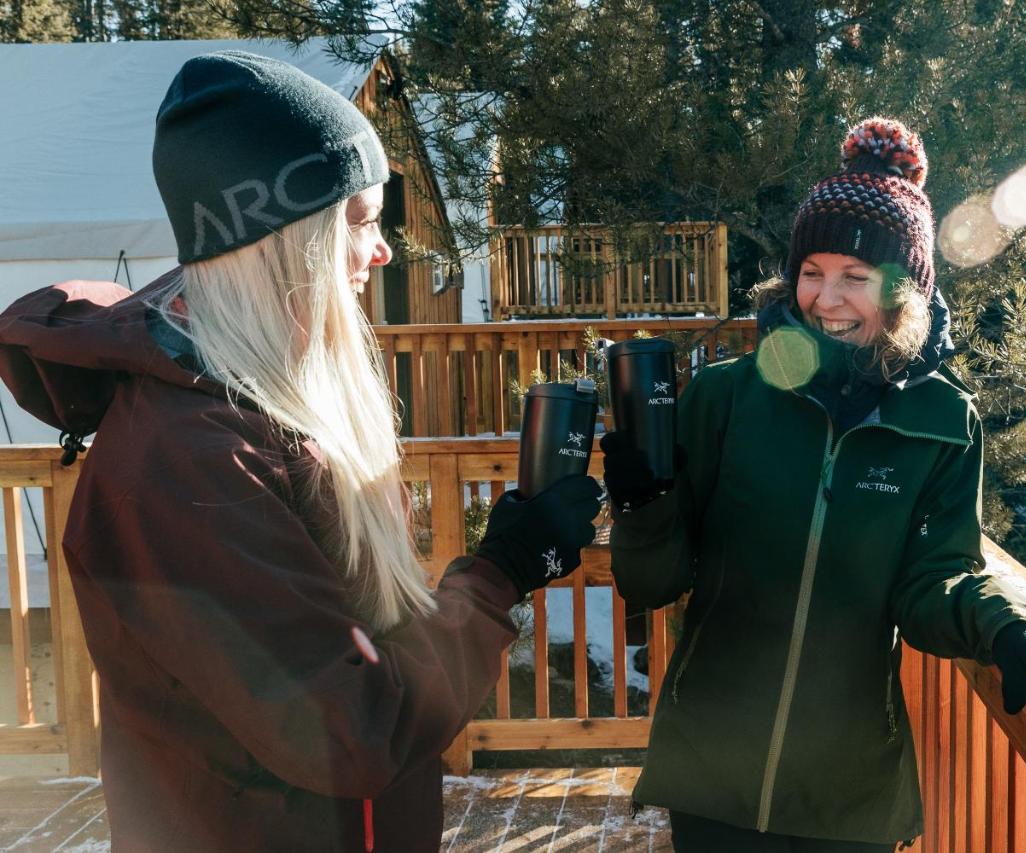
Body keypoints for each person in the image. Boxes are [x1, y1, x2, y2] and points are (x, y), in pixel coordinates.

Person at [0, 51, 601, 852]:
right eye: (359, 221)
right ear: (285, 243)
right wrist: (499, 573)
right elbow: (350, 725)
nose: (382, 250)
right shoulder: (186, 462)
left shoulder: (266, 407)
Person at [601, 117, 1026, 852]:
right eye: (812, 271)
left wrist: (1004, 623)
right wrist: (643, 503)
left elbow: (937, 577)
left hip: (847, 784)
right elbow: (649, 581)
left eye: (855, 276)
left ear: (903, 289)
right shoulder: (726, 397)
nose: (827, 298)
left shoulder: (942, 419)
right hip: (711, 762)